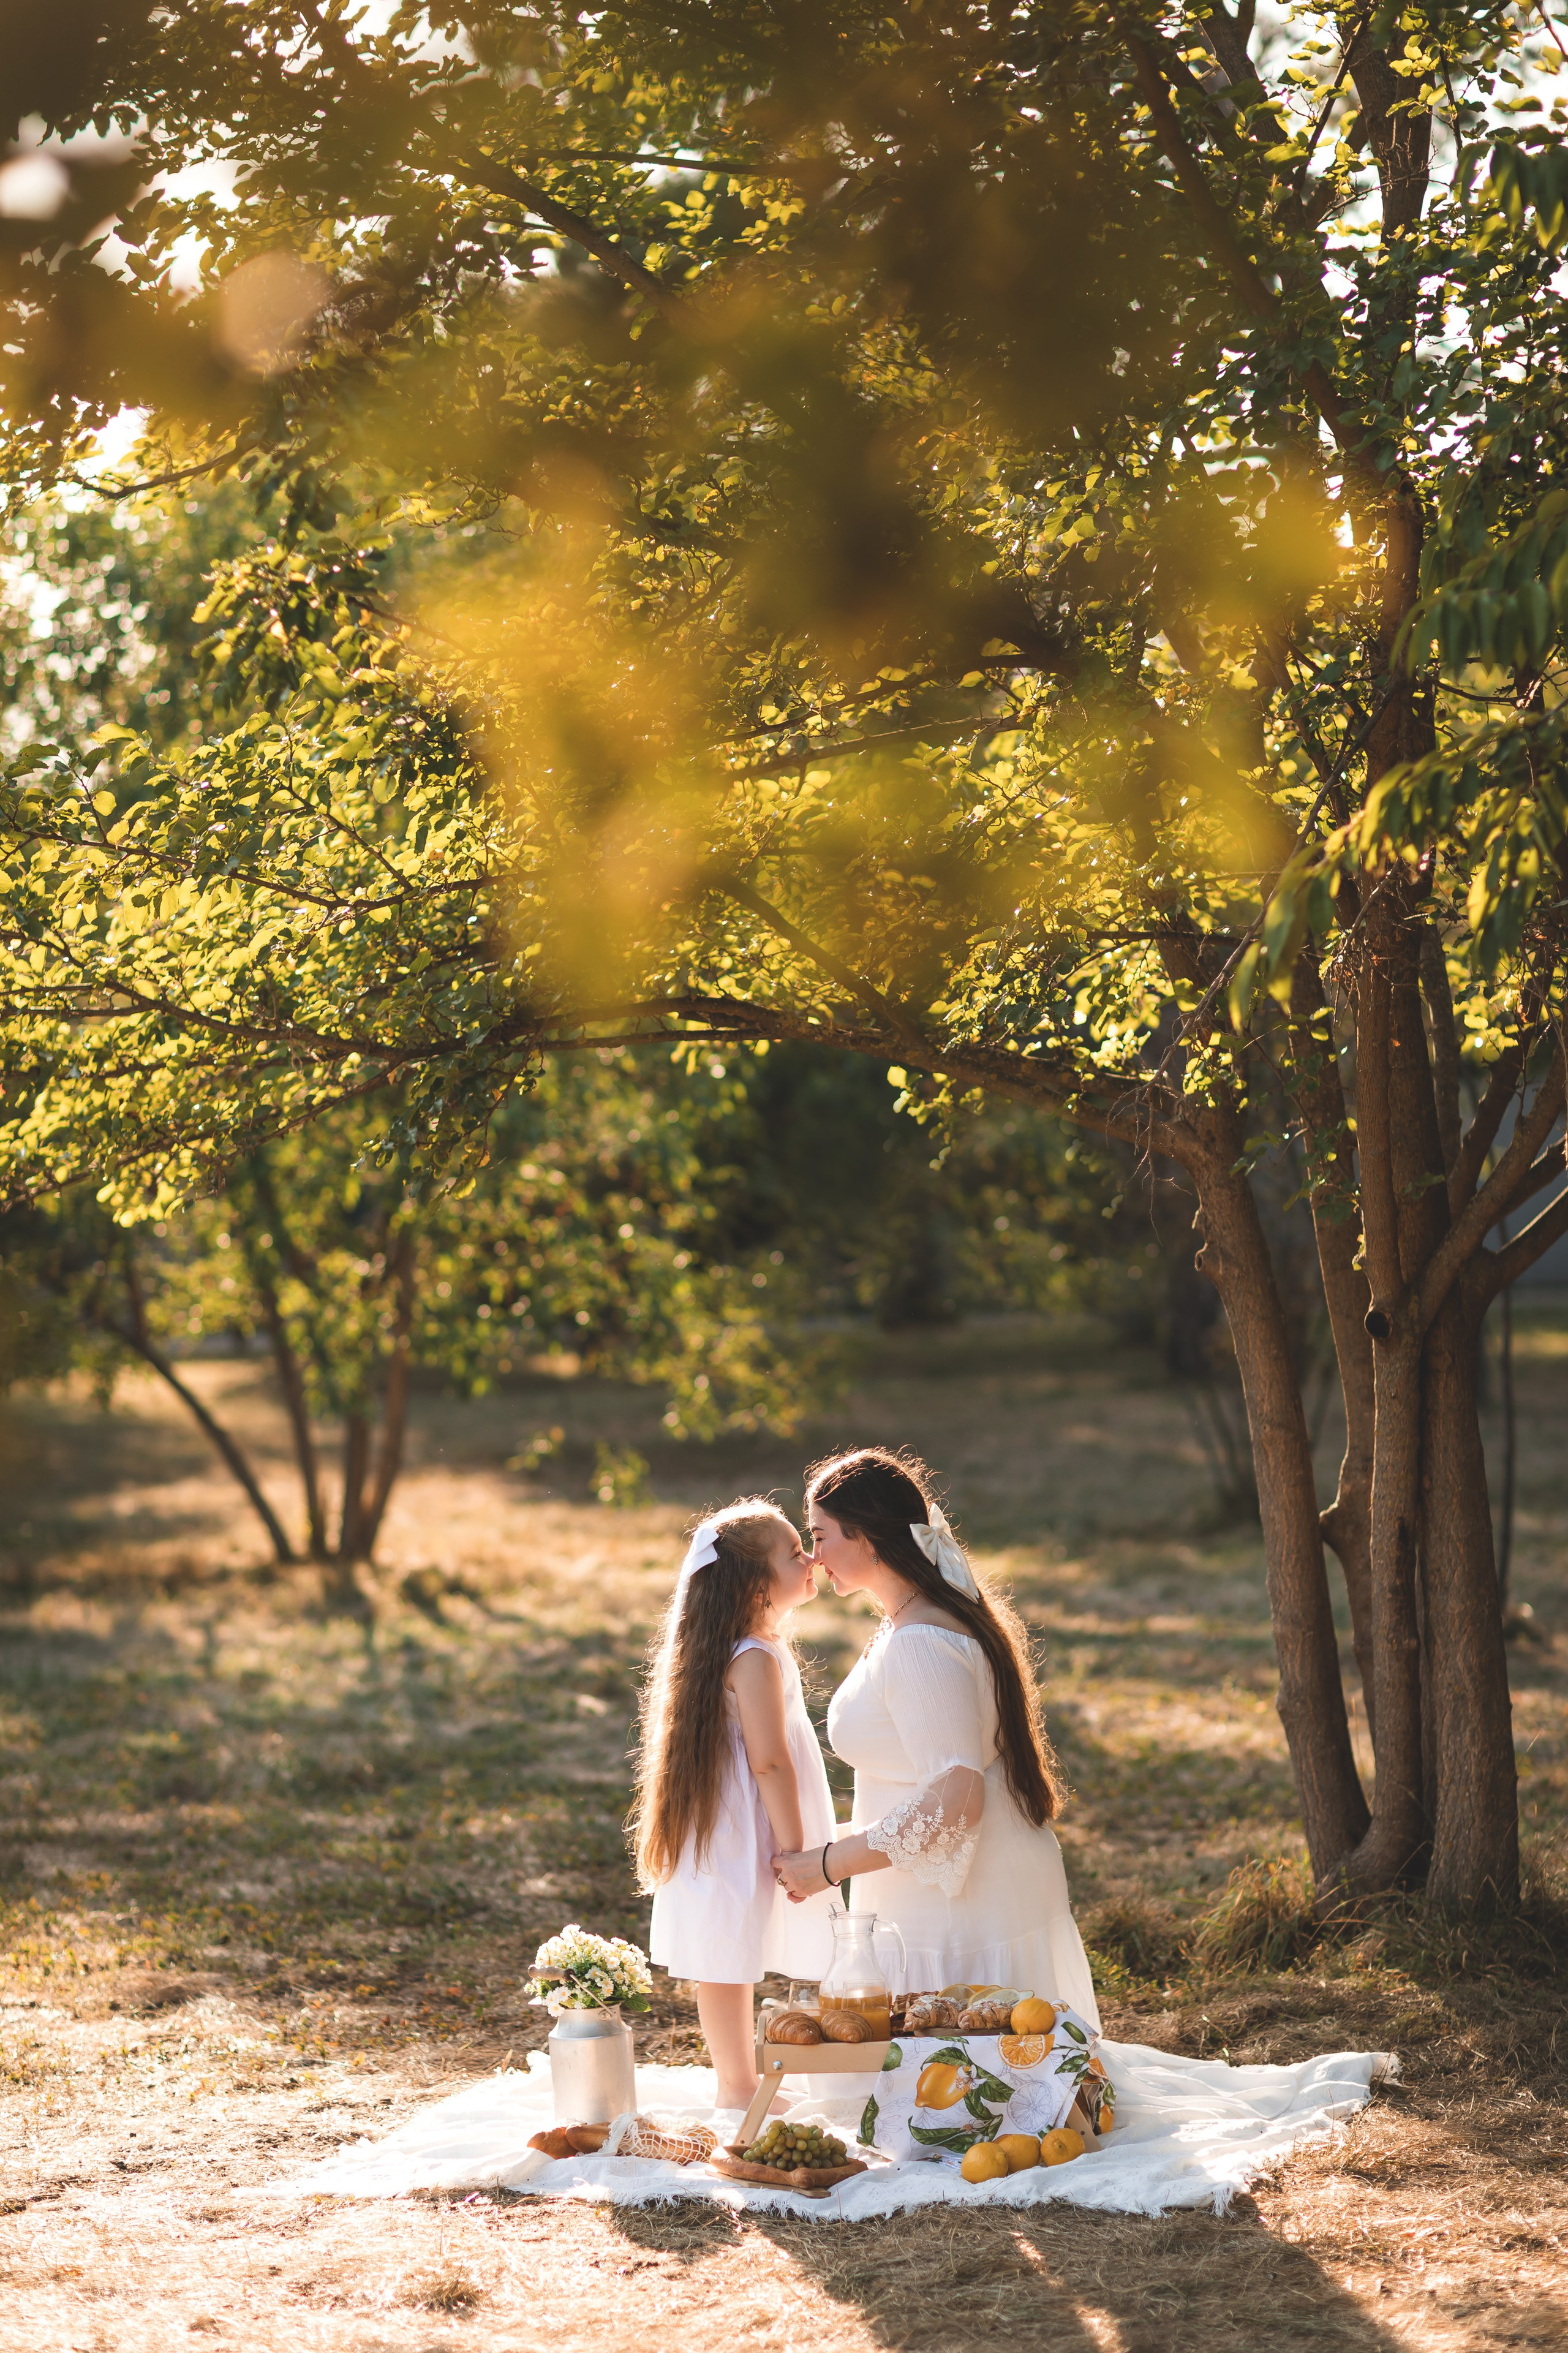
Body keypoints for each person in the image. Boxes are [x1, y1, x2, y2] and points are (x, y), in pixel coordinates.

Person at [773, 1447, 1099, 2024]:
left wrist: (833, 1863)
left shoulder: (921, 1643)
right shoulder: (915, 1617)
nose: (816, 1556)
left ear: (868, 1538)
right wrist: (820, 1844)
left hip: (963, 1911)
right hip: (948, 1892)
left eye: (821, 1536)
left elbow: (956, 1799)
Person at [634, 1500, 837, 2114]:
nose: (811, 1559)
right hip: (747, 1827)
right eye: (795, 1553)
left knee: (729, 1952)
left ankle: (738, 2078)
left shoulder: (741, 1648)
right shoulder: (753, 1655)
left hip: (728, 1822)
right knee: (725, 1956)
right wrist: (798, 1847)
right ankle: (737, 2086)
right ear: (755, 1585)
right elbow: (769, 1760)